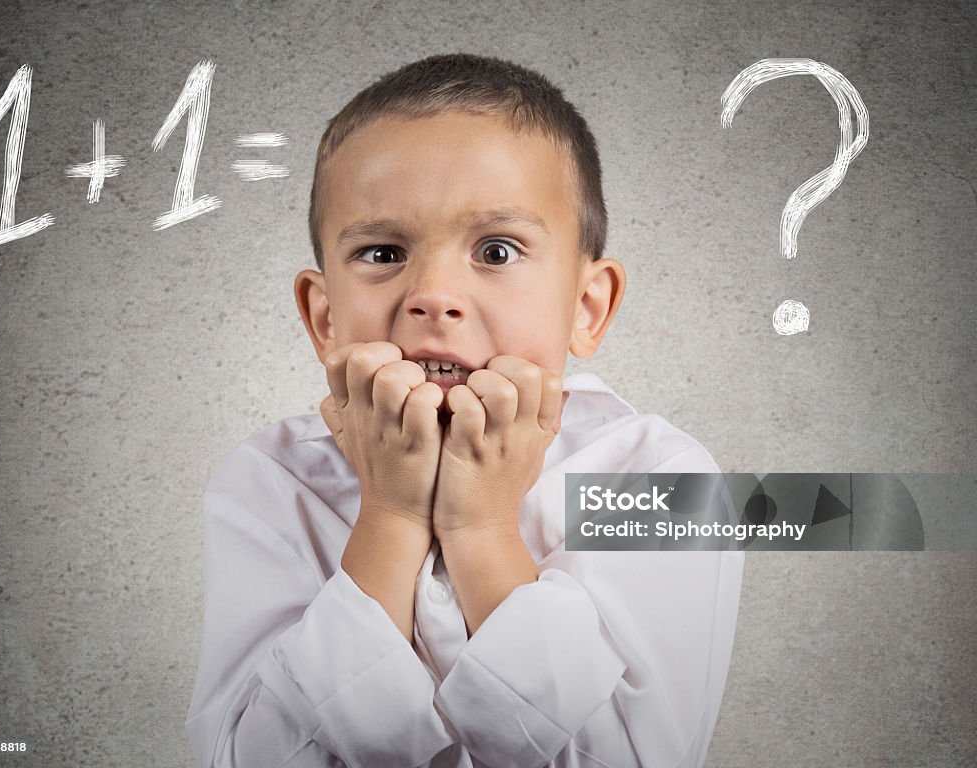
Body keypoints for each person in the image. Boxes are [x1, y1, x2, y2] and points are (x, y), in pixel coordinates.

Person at [187, 53, 744, 768]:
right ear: (323, 317)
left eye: (497, 249)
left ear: (587, 305)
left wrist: (477, 527)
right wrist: (389, 519)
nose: (433, 294)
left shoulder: (664, 479)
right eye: (384, 251)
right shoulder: (268, 480)